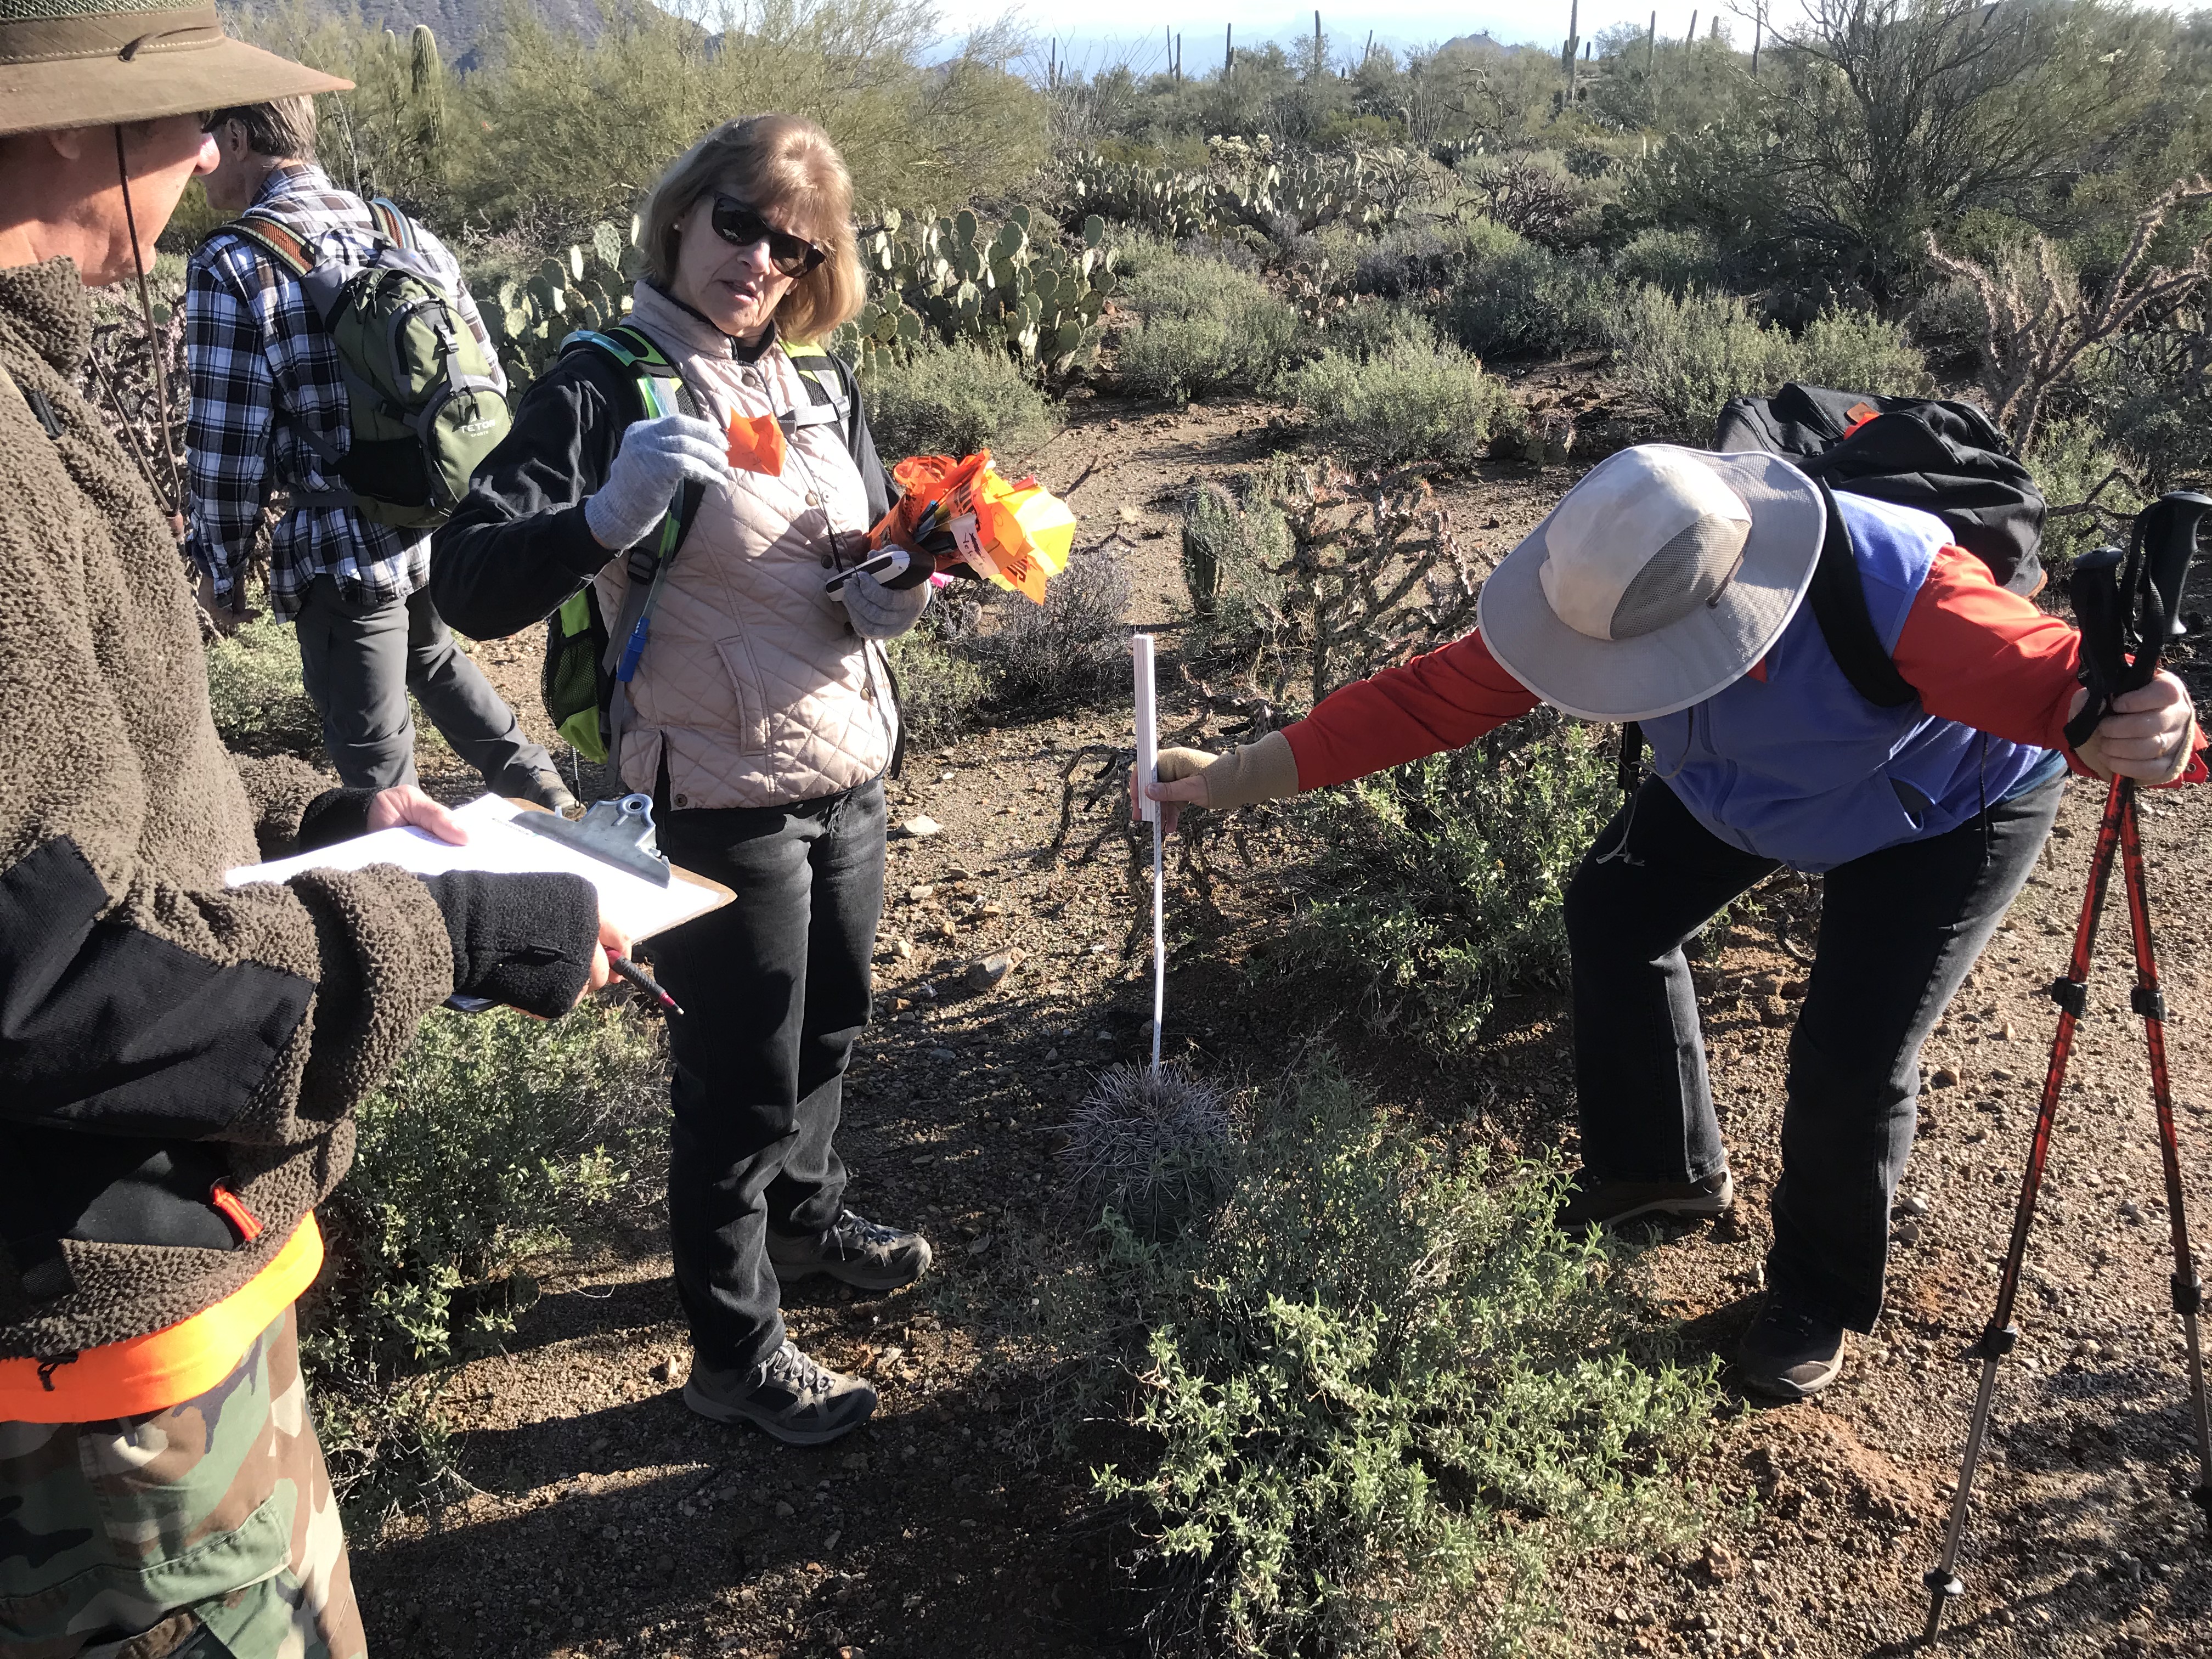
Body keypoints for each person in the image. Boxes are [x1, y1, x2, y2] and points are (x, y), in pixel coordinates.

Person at [0, 8, 627, 1653]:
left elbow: (111, 788)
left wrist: (338, 813)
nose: (212, 152)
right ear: (58, 132)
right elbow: (54, 973)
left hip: (150, 1307)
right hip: (91, 1384)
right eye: (180, 116)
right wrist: (457, 928)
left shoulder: (32, 389)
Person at [1144, 444, 2200, 1402]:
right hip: (1739, 782)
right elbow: (1427, 701)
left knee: (1851, 1051)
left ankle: (1815, 1297)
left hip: (1938, 806)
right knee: (1613, 909)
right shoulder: (1604, 574)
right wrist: (1238, 775)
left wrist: (2155, 730)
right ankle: (1662, 1171)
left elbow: (2084, 692)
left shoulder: (1901, 591)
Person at [432, 115, 934, 1447]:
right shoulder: (604, 382)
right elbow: (467, 580)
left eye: (793, 245)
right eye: (738, 222)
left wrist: (893, 590)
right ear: (681, 215)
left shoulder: (822, 388)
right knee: (739, 1075)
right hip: (714, 788)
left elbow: (860, 551)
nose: (758, 259)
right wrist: (600, 518)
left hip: (848, 763)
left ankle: (808, 1223)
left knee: (831, 1023)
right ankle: (735, 1344)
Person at [184, 94, 574, 811]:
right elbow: (485, 377)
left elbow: (226, 451)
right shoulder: (406, 232)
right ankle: (549, 800)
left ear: (236, 138)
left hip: (343, 552)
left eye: (202, 143)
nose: (196, 167)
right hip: (435, 522)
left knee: (380, 784)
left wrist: (223, 571)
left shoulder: (232, 262)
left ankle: (417, 896)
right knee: (431, 658)